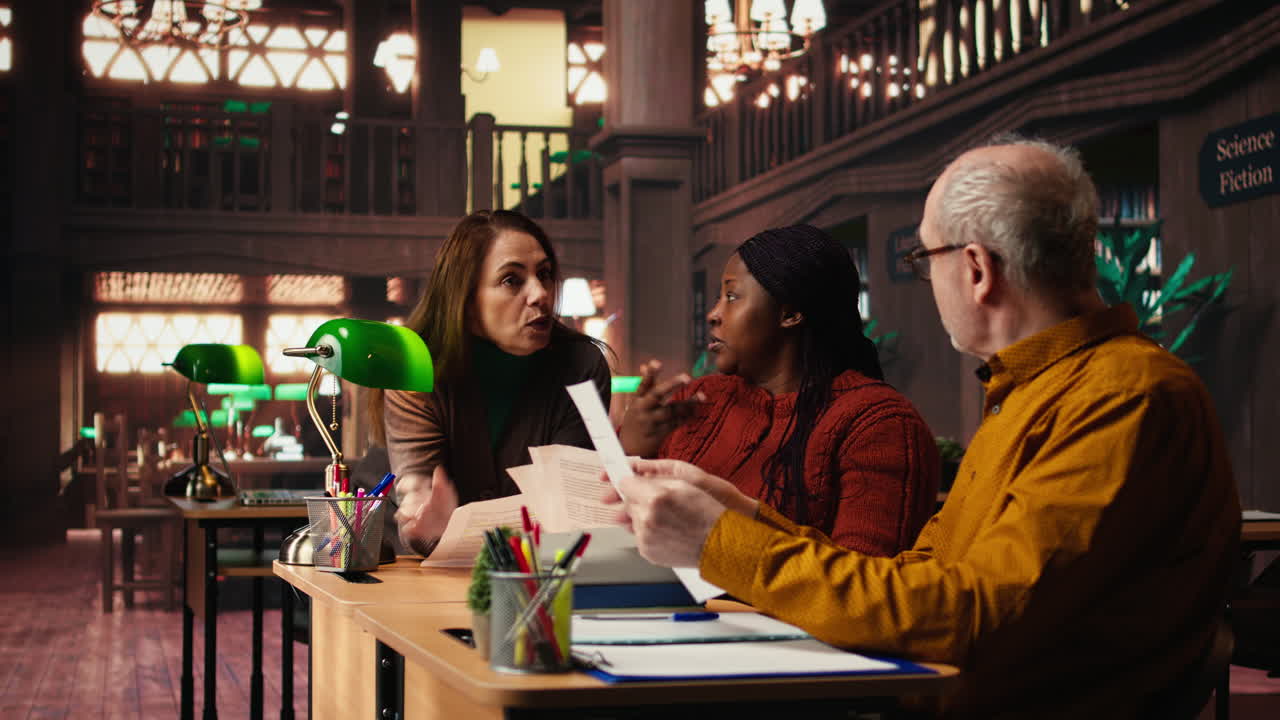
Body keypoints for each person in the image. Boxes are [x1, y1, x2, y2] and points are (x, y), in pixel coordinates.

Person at [605, 137, 1241, 717]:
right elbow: (922, 573)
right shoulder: (1031, 390)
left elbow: (971, 618)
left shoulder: (1123, 395)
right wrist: (736, 513)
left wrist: (720, 542)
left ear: (975, 269)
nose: (926, 276)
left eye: (922, 257)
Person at [620, 225, 939, 555]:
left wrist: (728, 525)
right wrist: (631, 446)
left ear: (790, 313)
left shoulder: (878, 425)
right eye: (718, 297)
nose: (714, 314)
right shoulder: (696, 400)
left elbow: (860, 584)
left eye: (731, 296)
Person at [371, 210, 610, 556]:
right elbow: (420, 504)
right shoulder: (415, 367)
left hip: (534, 565)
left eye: (544, 275)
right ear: (465, 300)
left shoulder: (582, 364)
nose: (540, 293)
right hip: (421, 567)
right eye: (512, 280)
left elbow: (568, 507)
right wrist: (423, 518)